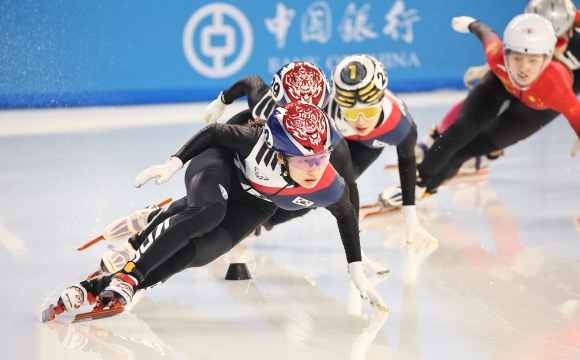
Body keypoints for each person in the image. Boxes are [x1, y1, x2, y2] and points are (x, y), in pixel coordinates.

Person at [52, 102, 388, 319]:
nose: (315, 168)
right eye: (305, 160)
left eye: (321, 158)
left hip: (257, 201)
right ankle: (131, 274)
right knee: (209, 211)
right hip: (220, 164)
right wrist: (173, 163)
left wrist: (355, 269)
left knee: (202, 253)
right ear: (281, 153)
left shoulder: (327, 181)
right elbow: (214, 132)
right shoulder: (254, 140)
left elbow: (345, 214)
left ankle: (102, 286)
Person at [204, 57, 436, 245]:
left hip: (359, 147)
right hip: (326, 142)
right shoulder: (313, 118)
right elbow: (251, 83)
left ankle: (259, 223)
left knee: (318, 188)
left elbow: (352, 185)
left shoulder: (399, 125)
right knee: (304, 179)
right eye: (351, 112)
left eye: (368, 110)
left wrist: (410, 217)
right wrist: (221, 101)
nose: (361, 121)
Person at [417, 13, 580, 195]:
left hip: (537, 108)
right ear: (506, 52)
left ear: (547, 59)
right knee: (459, 132)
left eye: (533, 60)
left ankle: (425, 190)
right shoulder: (496, 56)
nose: (523, 68)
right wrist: (471, 23)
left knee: (463, 152)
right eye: (516, 57)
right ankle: (412, 187)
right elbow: (484, 31)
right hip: (502, 84)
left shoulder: (558, 89)